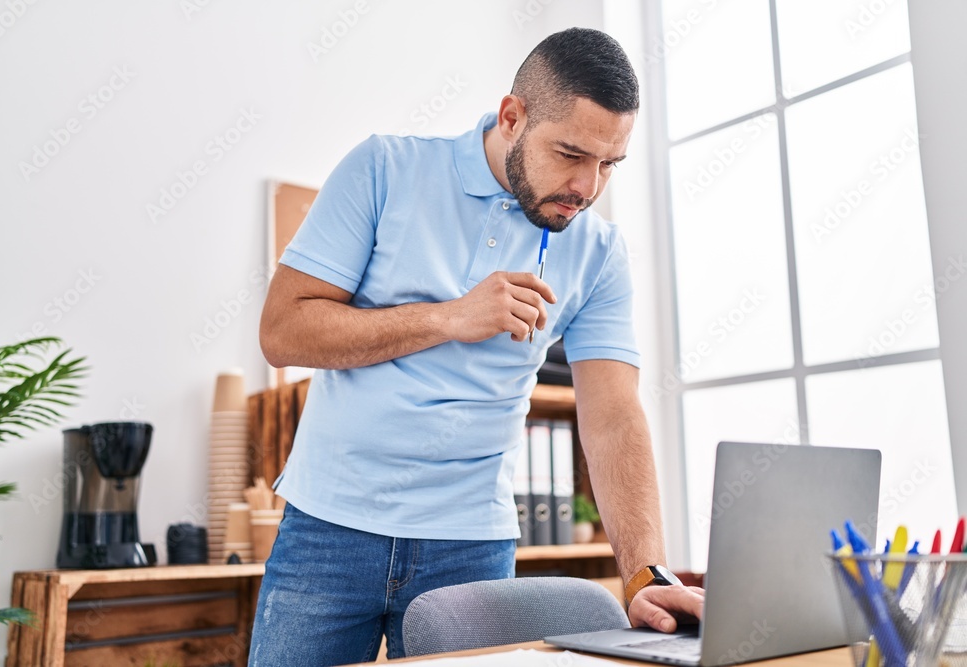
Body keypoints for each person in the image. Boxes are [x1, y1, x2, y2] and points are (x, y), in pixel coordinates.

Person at [250, 26, 704, 667]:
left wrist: (645, 573)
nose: (588, 185)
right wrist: (447, 318)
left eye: (609, 163)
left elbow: (613, 416)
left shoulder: (599, 251)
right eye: (571, 153)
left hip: (472, 543)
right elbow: (283, 331)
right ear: (512, 117)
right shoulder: (385, 168)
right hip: (330, 527)